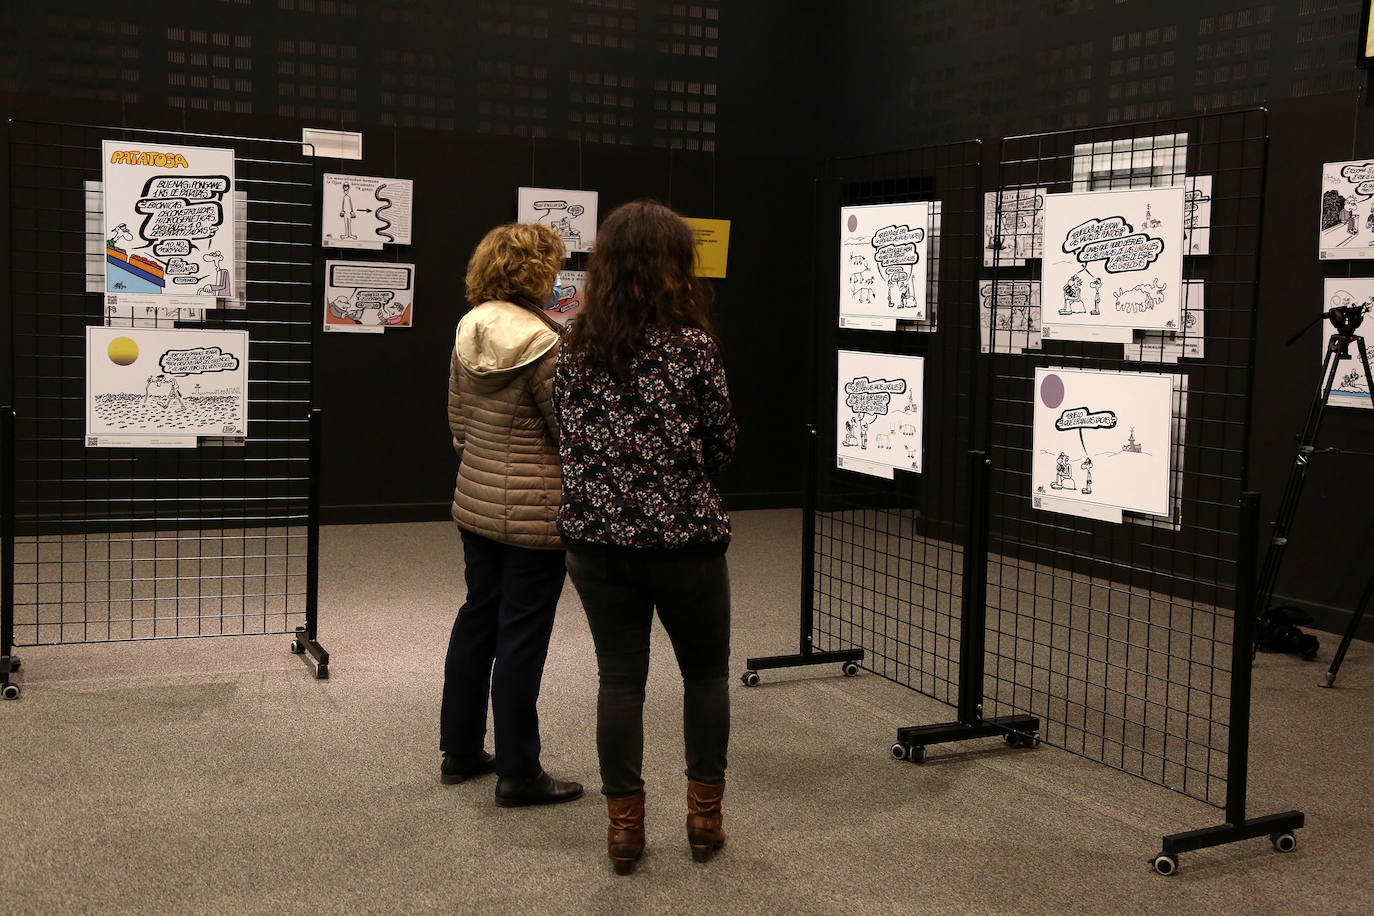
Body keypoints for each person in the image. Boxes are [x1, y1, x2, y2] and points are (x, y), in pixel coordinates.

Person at [555, 200, 738, 874]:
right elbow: (722, 443)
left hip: (597, 543)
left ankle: (624, 830)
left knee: (620, 682)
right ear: (676, 264)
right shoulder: (693, 346)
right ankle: (703, 819)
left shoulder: (571, 344)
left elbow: (567, 438)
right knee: (706, 676)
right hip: (684, 541)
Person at [440, 222, 583, 808]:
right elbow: (568, 433)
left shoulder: (468, 331)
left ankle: (462, 750)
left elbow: (457, 427)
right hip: (535, 514)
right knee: (522, 635)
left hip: (475, 502)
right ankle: (520, 772)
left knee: (478, 618)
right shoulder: (548, 343)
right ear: (538, 272)